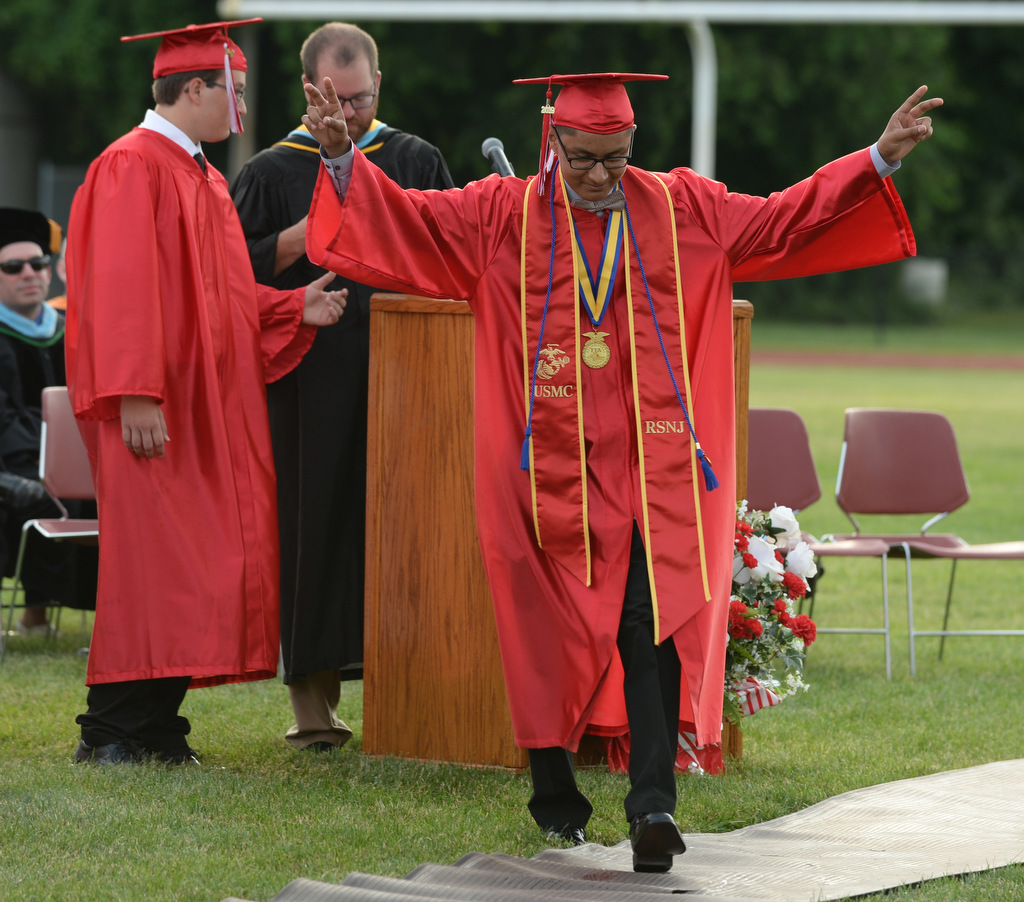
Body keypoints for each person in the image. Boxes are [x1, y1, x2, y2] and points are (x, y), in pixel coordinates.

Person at [302, 72, 941, 871]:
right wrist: (340, 163)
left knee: (652, 621)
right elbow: (406, 223)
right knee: (541, 632)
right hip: (540, 473)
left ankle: (652, 808)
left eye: (615, 157)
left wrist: (874, 160)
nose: (600, 176)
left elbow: (783, 219)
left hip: (650, 467)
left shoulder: (681, 208)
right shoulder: (503, 215)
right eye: (582, 159)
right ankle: (555, 794)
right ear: (553, 143)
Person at [64, 18, 346, 766]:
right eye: (237, 93)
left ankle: (157, 722)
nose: (244, 112)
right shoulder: (132, 165)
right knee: (154, 567)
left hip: (198, 411)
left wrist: (293, 307)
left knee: (198, 568)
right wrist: (135, 393)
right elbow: (119, 291)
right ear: (195, 88)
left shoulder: (200, 174)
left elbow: (220, 297)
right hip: (157, 407)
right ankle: (112, 729)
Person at [230, 22, 453, 752]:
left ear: (378, 86)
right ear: (307, 90)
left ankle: (409, 689)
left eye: (360, 99)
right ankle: (311, 705)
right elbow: (228, 275)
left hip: (409, 376)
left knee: (403, 529)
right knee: (312, 525)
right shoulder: (267, 172)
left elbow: (453, 257)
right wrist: (298, 238)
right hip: (308, 382)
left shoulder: (414, 158)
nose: (349, 112)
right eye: (336, 97)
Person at [0, 208, 97, 634]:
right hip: (11, 463)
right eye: (12, 266)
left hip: (79, 458)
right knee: (27, 491)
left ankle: (51, 615)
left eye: (38, 263)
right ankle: (34, 615)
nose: (29, 273)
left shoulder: (70, 328)